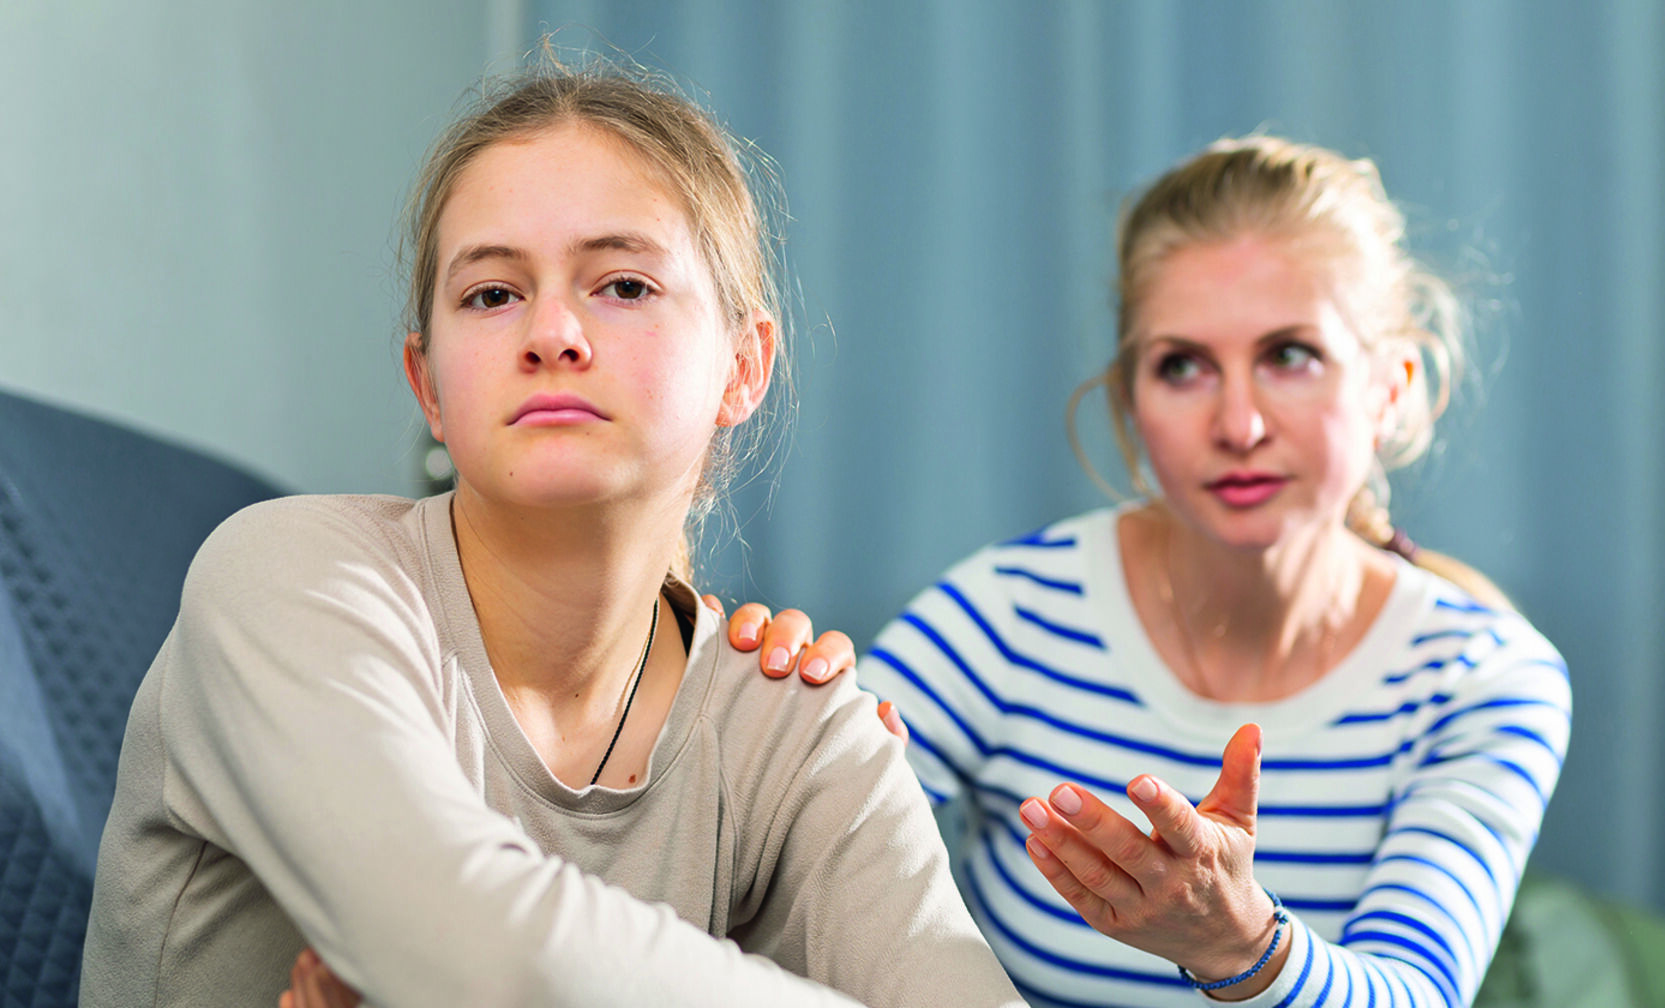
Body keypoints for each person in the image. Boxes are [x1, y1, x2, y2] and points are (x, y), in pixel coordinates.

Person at [78, 61, 1022, 1008]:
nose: (553, 333)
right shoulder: (285, 578)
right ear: (429, 387)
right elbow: (466, 945)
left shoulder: (798, 720)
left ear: (743, 366)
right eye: (492, 295)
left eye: (622, 284)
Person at [732, 135, 1571, 1007]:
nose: (1239, 423)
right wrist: (759, 721)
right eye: (1183, 366)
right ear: (1133, 405)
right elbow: (778, 864)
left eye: (1291, 355)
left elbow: (1417, 993)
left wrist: (1241, 943)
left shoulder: (1487, 680)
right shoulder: (1008, 616)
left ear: (1390, 386)